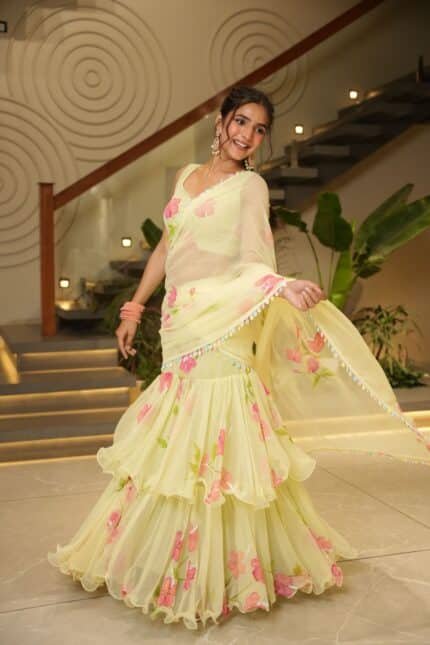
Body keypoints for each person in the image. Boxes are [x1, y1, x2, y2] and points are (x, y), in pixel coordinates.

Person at [48, 86, 430, 630]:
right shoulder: (186, 176)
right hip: (182, 323)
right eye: (242, 121)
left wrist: (282, 286)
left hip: (224, 324)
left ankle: (220, 570)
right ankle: (167, 558)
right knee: (176, 443)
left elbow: (253, 259)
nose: (248, 135)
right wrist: (134, 307)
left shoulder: (250, 187)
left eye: (259, 129)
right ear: (222, 120)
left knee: (218, 441)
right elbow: (167, 247)